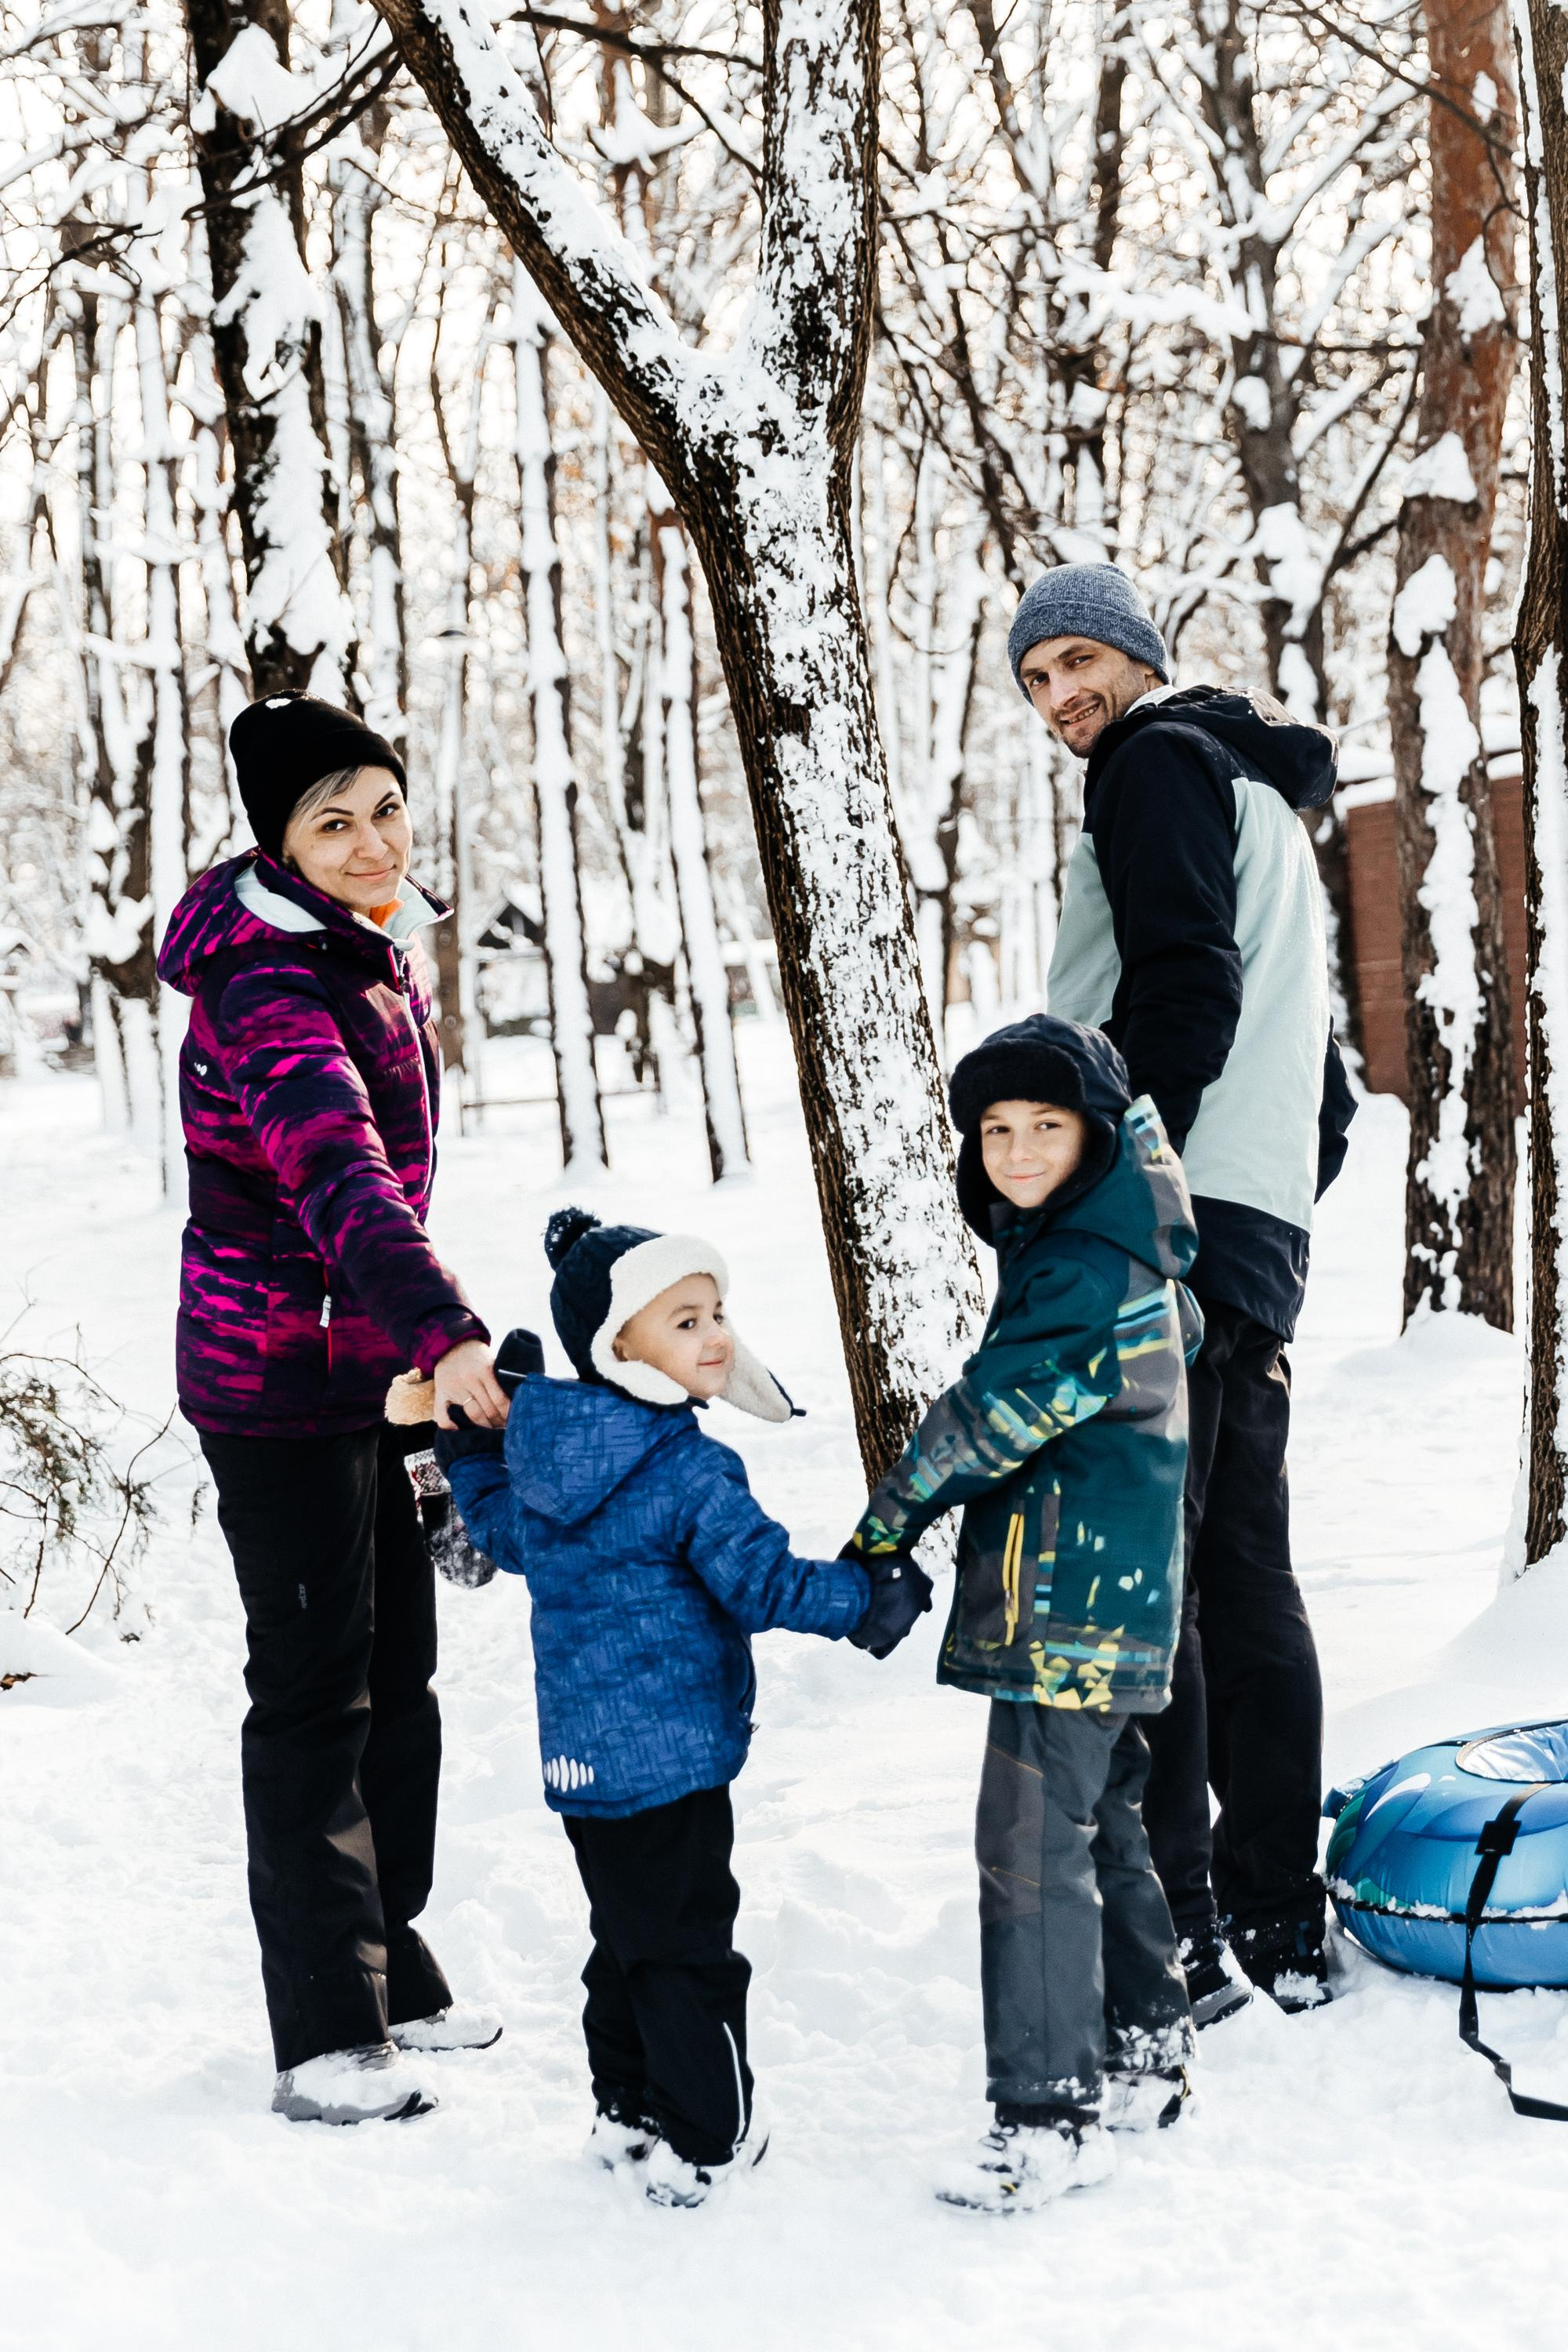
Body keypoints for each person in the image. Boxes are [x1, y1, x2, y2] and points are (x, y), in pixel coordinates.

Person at [157, 691, 510, 2125]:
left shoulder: (369, 954)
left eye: (382, 807)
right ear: (279, 844)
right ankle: (320, 2031)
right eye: (331, 820)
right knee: (315, 1694)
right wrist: (447, 1325)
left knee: (402, 1678)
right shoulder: (270, 986)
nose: (372, 841)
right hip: (273, 1380)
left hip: (369, 1368)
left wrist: (412, 1347)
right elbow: (341, 1180)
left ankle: (389, 1960)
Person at [1008, 561, 1355, 2018]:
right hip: (1255, 1219)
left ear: (1142, 658)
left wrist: (1098, 1175)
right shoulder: (1260, 797)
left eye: (1079, 659)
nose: (1060, 698)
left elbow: (1184, 999)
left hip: (1165, 1215)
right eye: (1035, 681)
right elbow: (1325, 1089)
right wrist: (1255, 1202)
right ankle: (1281, 1916)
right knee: (1243, 1577)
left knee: (1158, 1585)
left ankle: (1188, 1938)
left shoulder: (1151, 767)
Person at [433, 1208, 930, 2209]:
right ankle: (707, 2136)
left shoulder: (552, 1457)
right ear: (620, 1349)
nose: (716, 1339)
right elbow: (758, 1583)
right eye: (685, 1321)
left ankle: (626, 2110)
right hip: (673, 1758)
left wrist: (470, 1454)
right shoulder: (686, 1468)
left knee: (624, 1935)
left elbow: (500, 1532)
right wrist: (863, 1600)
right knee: (688, 1946)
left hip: (583, 1763)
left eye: (716, 1316)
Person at [846, 1014, 1199, 2216]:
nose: (1017, 1148)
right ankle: (1150, 2045)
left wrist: (888, 1519)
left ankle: (1048, 2117)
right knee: (1098, 1824)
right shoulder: (1110, 1247)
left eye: (1046, 1125)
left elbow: (993, 1416)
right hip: (1109, 1590)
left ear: (1095, 1136)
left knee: (1028, 1850)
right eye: (995, 1130)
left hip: (1074, 1594)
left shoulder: (1085, 1272)